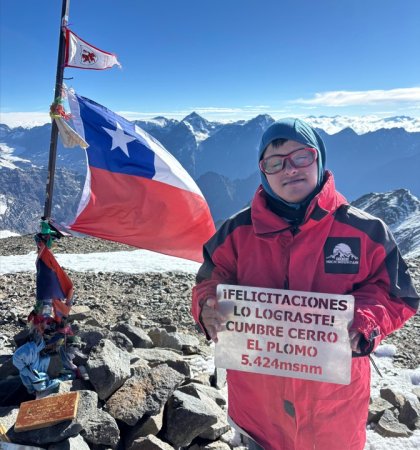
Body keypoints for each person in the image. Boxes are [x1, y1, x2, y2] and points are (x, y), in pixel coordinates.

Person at [191, 118, 419, 450]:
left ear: (319, 158)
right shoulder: (236, 231)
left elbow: (397, 295)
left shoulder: (365, 232)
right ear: (263, 171)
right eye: (275, 163)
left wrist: (365, 320)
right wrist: (208, 306)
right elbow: (210, 279)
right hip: (259, 404)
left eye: (301, 157)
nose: (290, 170)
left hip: (332, 408)